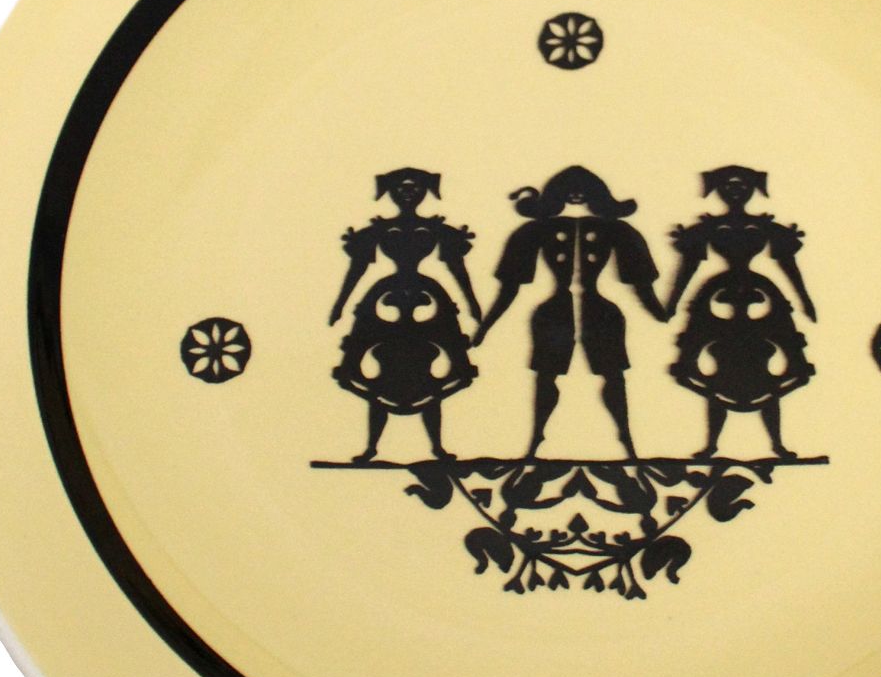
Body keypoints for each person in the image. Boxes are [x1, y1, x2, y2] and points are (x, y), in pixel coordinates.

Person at [474, 166, 665, 457]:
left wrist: (662, 312)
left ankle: (627, 441)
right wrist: (486, 326)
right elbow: (510, 287)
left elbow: (642, 284)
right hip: (554, 313)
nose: (576, 195)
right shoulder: (534, 231)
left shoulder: (618, 230)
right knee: (546, 376)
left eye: (584, 190)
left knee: (613, 376)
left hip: (601, 313)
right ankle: (535, 441)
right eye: (568, 189)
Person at [663, 165, 816, 457]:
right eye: (728, 187)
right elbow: (689, 264)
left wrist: (805, 299)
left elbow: (787, 262)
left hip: (757, 292)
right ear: (717, 189)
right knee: (698, 354)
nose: (735, 192)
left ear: (754, 189)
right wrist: (672, 302)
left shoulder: (762, 227)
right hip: (719, 293)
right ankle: (712, 444)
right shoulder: (711, 228)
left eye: (742, 186)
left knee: (785, 354)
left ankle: (776, 444)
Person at [330, 168, 481, 462]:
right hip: (388, 297)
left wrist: (473, 303)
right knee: (367, 369)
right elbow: (357, 267)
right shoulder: (382, 230)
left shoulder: (434, 229)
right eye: (401, 189)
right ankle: (372, 447)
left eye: (416, 189)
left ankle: (436, 448)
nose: (408, 194)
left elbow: (457, 266)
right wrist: (340, 304)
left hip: (425, 297)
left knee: (444, 370)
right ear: (389, 192)